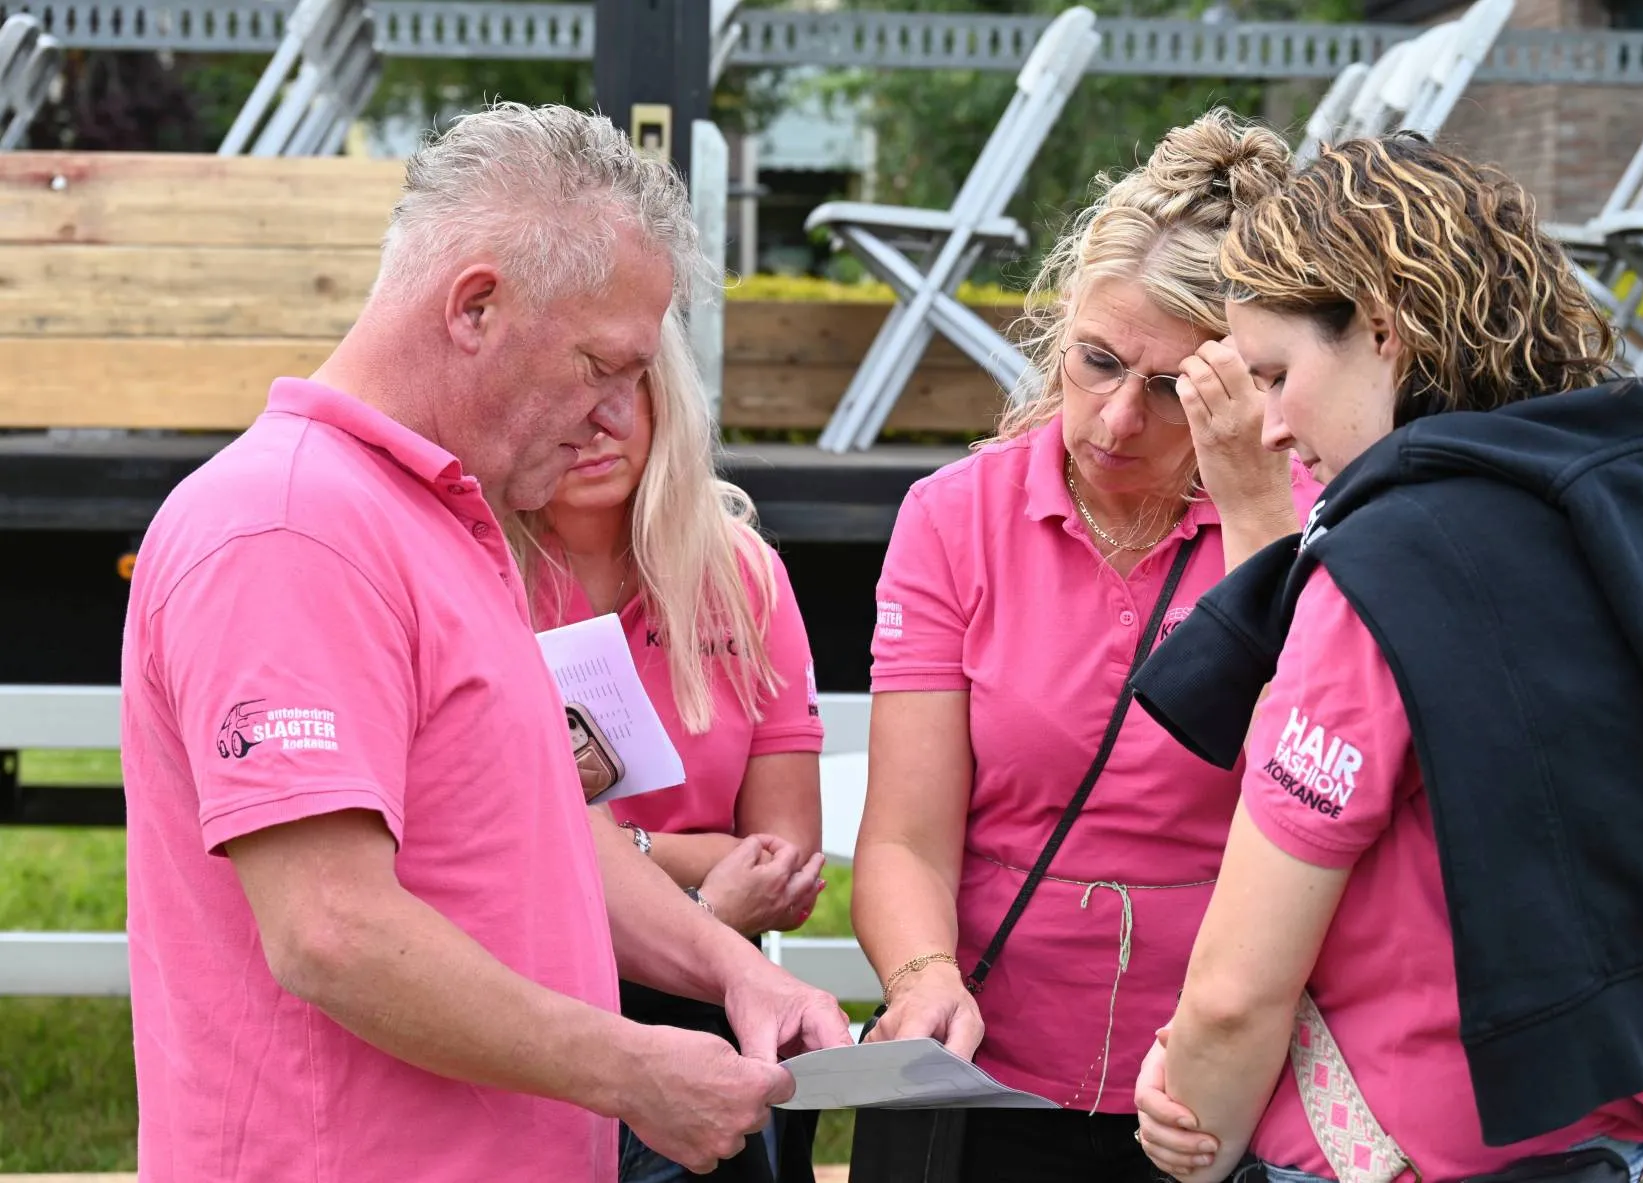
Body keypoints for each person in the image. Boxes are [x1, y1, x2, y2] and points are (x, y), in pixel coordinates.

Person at [118, 102, 850, 1183]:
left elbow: (544, 829)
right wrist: (635, 1070)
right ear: (474, 307)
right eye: (601, 365)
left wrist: (733, 972)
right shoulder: (290, 528)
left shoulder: (441, 522)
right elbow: (332, 930)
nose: (617, 417)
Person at [1131, 133, 1643, 1183]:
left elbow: (1238, 985)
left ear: (1381, 330)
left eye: (1278, 373)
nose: (1276, 426)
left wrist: (1189, 1121)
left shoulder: (1385, 572)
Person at [848, 107, 1319, 1183]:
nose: (1113, 422)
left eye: (1170, 392)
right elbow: (907, 837)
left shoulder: (1309, 519)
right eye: (1094, 363)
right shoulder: (955, 517)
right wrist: (922, 973)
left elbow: (1310, 792)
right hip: (989, 1073)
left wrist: (1254, 525)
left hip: (1218, 1087)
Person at [510, 307, 828, 1183]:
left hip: (709, 1019)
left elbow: (787, 864)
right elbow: (504, 859)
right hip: (527, 1022)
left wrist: (620, 851)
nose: (596, 420)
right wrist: (699, 885)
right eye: (565, 387)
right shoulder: (475, 569)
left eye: (625, 385)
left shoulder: (742, 573)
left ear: (665, 396)